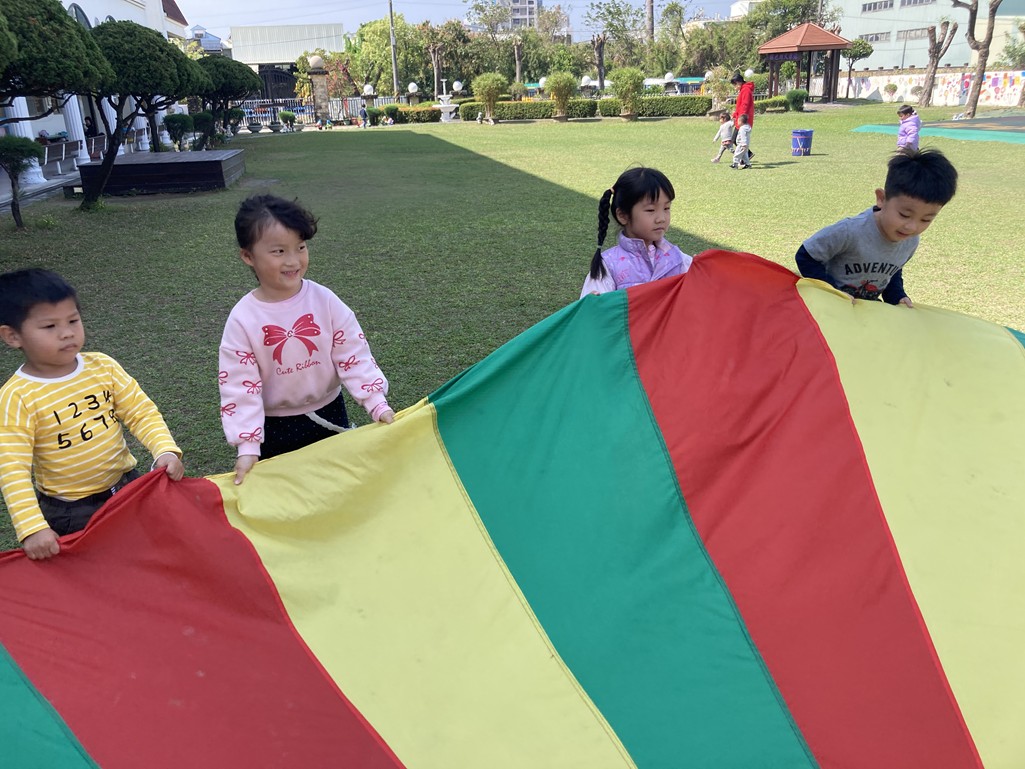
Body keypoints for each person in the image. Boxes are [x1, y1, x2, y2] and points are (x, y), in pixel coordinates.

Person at [0, 269, 185, 561]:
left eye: (73, 320)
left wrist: (165, 449)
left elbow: (141, 412)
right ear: (12, 336)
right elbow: (12, 467)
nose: (66, 333)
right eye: (49, 326)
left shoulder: (103, 367)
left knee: (147, 555)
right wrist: (31, 527)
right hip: (71, 512)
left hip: (127, 486)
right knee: (96, 571)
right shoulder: (17, 397)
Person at [219, 195, 396, 486]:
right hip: (275, 426)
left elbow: (352, 352)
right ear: (248, 256)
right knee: (287, 491)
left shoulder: (324, 300)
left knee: (337, 484)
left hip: (330, 410)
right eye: (279, 251)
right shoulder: (243, 319)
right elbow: (239, 385)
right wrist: (248, 445)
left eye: (300, 247)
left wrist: (376, 402)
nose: (293, 260)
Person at [795, 148, 958, 307]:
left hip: (863, 313)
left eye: (926, 219)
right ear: (881, 199)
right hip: (827, 310)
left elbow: (891, 271)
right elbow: (806, 256)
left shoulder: (910, 241)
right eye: (904, 215)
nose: (912, 227)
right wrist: (832, 291)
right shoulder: (850, 231)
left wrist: (897, 296)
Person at [581, 167, 693, 297]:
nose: (661, 218)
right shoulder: (609, 265)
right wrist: (593, 304)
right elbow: (592, 307)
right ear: (623, 215)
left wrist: (699, 270)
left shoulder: (677, 258)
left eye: (666, 208)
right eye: (650, 210)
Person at [731, 72, 755, 162]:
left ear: (738, 82)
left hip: (743, 120)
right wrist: (735, 115)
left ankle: (746, 156)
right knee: (737, 140)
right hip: (740, 119)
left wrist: (741, 118)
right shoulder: (743, 90)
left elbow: (745, 105)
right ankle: (746, 156)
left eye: (735, 85)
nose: (735, 87)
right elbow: (740, 106)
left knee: (737, 140)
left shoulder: (746, 90)